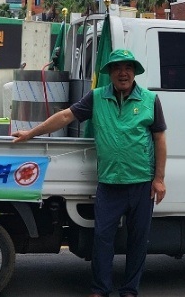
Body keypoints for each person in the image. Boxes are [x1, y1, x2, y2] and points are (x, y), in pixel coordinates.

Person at [13, 48, 167, 297]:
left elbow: (159, 138)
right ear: (110, 73)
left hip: (141, 183)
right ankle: (100, 289)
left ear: (134, 72)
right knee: (102, 239)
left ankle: (130, 290)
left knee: (138, 241)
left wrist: (159, 179)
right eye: (117, 68)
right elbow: (65, 116)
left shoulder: (150, 100)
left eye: (127, 67)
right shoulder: (97, 97)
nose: (122, 73)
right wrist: (31, 133)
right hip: (109, 183)